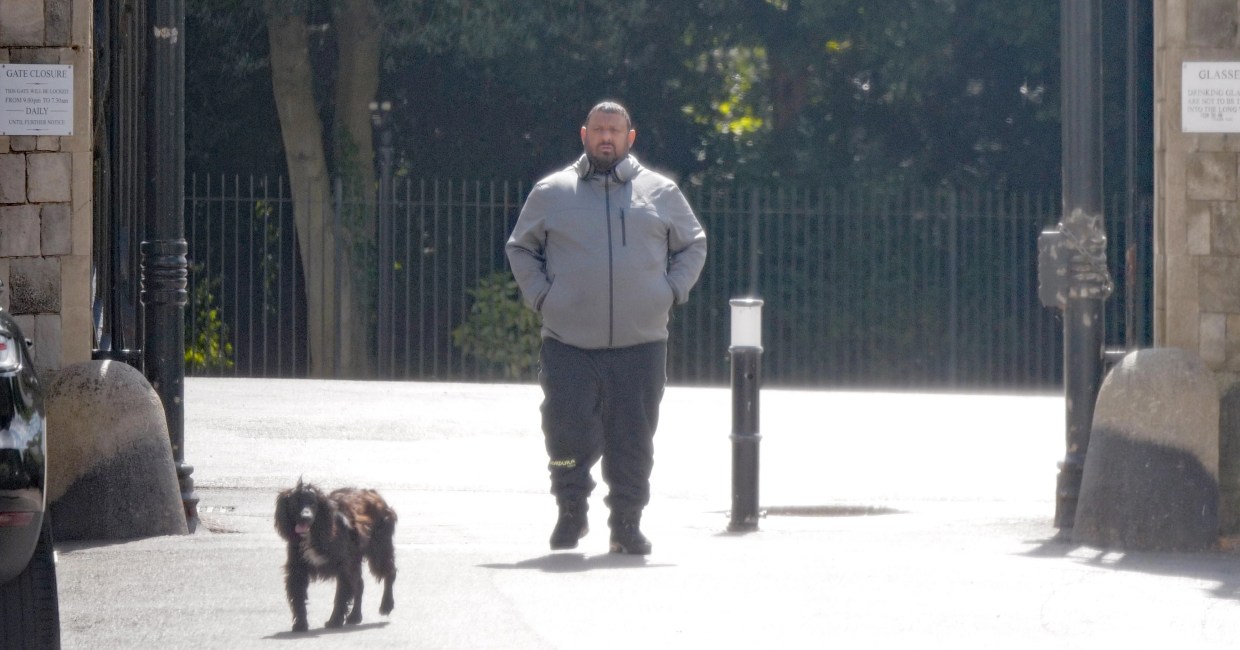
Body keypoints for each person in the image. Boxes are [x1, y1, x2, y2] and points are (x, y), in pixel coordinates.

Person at [505, 101, 707, 555]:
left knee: (634, 439)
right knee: (564, 433)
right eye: (598, 129)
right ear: (584, 134)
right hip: (568, 343)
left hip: (642, 342)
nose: (606, 138)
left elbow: (694, 244)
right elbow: (521, 248)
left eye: (615, 131)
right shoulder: (552, 191)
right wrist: (543, 296)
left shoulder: (661, 192)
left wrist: (670, 291)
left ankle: (627, 523)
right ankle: (570, 509)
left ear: (630, 138)